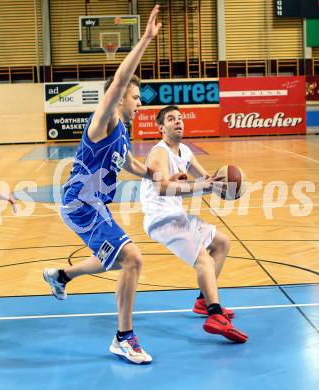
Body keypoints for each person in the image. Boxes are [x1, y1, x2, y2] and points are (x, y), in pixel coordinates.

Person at [43, 6, 220, 365]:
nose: (139, 104)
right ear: (119, 97)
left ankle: (61, 276)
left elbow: (131, 164)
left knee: (114, 258)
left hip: (95, 207)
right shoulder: (103, 121)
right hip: (81, 203)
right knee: (132, 258)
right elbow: (121, 80)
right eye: (136, 98)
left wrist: (159, 177)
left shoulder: (122, 133)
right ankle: (123, 338)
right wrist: (145, 40)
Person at [140, 105, 248, 343]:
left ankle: (203, 301)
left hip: (176, 215)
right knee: (203, 259)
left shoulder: (185, 152)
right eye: (171, 119)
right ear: (161, 128)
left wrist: (224, 184)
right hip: (162, 219)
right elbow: (163, 187)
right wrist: (204, 187)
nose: (178, 121)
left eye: (180, 118)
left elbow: (206, 179)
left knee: (222, 243)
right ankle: (215, 314)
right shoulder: (159, 153)